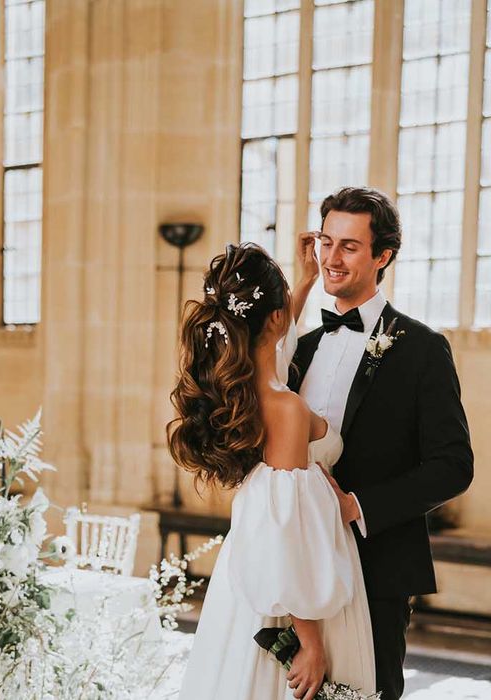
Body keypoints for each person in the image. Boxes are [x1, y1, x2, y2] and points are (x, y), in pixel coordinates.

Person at [169, 242, 376, 700]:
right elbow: (289, 533)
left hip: (252, 574)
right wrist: (311, 643)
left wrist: (299, 284)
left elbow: (273, 344)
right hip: (292, 591)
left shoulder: (247, 387)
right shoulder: (285, 408)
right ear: (277, 317)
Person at [289, 186, 473, 700]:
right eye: (325, 241)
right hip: (297, 564)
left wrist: (356, 507)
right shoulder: (300, 348)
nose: (332, 258)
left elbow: (453, 465)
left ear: (383, 255)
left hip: (376, 567)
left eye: (349, 246)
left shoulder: (422, 349)